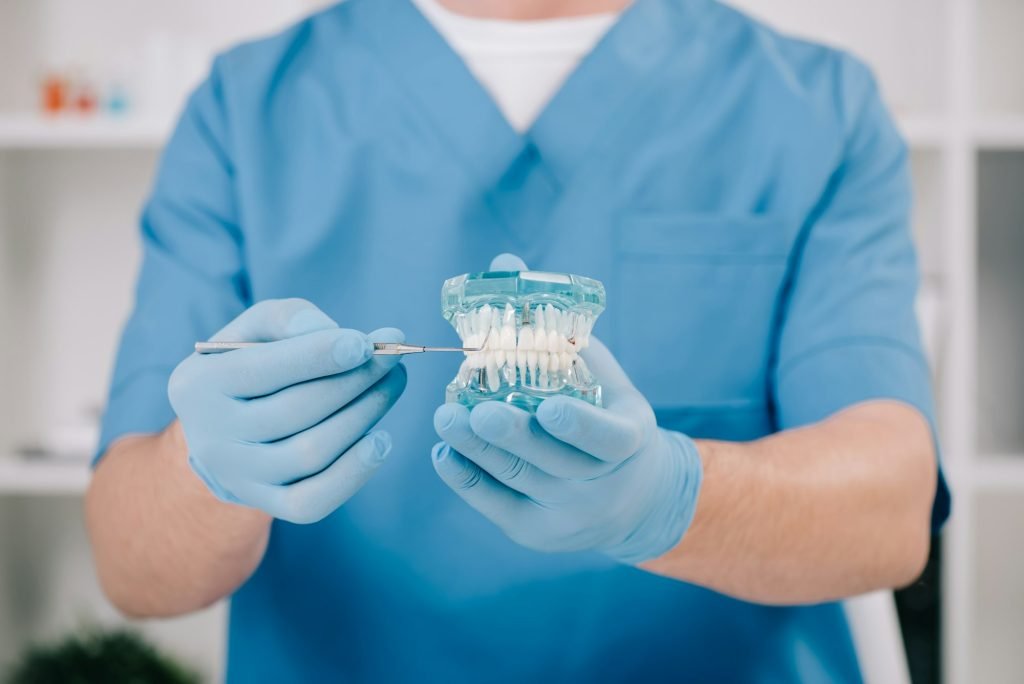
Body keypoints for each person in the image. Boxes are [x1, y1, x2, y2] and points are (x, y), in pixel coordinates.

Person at [85, 0, 951, 681]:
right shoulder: (246, 109)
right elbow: (132, 564)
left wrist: (671, 498)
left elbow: (891, 511)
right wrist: (204, 469)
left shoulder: (816, 106)